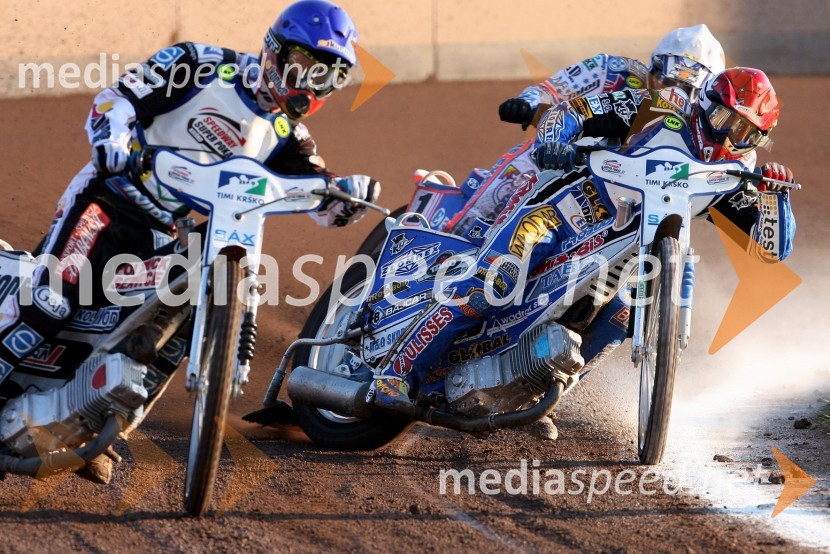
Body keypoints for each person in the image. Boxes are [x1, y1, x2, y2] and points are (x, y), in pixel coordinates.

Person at [0, 0, 377, 481]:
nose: (308, 85)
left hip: (169, 234)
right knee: (53, 301)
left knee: (188, 309)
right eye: (303, 67)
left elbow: (319, 195)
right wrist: (114, 141)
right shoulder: (198, 65)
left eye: (326, 78)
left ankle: (103, 427)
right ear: (273, 51)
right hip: (109, 200)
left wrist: (344, 201)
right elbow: (115, 99)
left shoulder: (288, 136)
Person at [369, 68, 796, 415]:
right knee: (494, 284)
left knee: (617, 319)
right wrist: (554, 141)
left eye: (745, 133)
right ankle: (395, 371)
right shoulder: (661, 108)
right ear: (705, 105)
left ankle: (534, 401)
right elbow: (575, 110)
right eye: (724, 121)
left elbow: (771, 250)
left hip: (623, 253)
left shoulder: (737, 176)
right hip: (561, 211)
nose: (728, 139)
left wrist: (776, 200)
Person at [446, 24, 726, 237]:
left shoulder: (702, 131)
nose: (672, 94)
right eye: (665, 82)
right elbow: (552, 92)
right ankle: (443, 248)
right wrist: (527, 104)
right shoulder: (613, 70)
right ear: (651, 69)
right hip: (558, 165)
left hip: (623, 198)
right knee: (488, 206)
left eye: (688, 90)